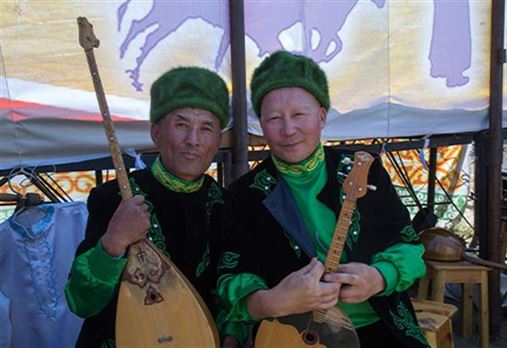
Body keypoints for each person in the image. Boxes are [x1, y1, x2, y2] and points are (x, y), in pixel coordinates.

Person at [217, 51, 429, 347]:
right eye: (274, 118)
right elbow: (230, 278)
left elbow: (408, 245)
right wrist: (270, 301)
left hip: (378, 326)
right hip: (293, 335)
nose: (288, 130)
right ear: (262, 127)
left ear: (321, 115)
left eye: (299, 115)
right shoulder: (244, 195)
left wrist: (380, 277)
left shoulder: (363, 170)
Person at [65, 67, 241, 347]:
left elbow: (230, 290)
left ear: (218, 140)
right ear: (156, 133)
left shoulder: (226, 205)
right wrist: (114, 242)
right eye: (181, 125)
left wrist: (231, 333)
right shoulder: (114, 197)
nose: (193, 140)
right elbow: (81, 301)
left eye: (206, 128)